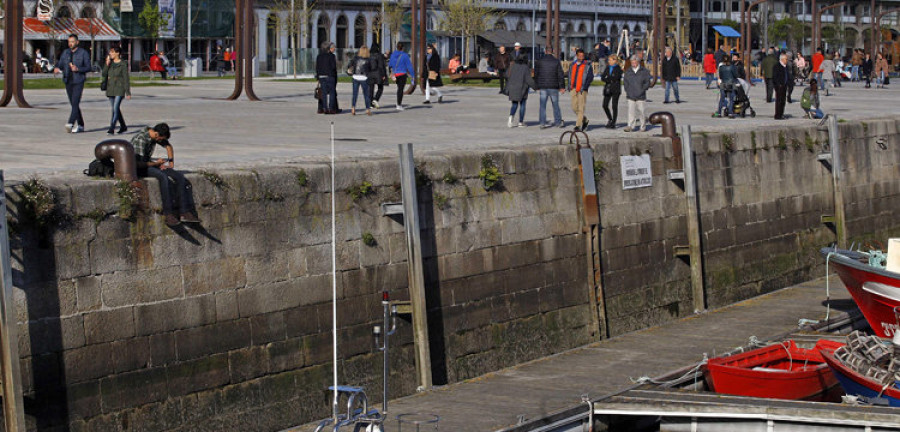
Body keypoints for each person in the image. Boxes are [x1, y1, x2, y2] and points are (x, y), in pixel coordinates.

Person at [131, 123, 200, 227]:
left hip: (150, 163)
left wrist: (170, 163)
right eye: (160, 139)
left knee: (179, 177)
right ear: (156, 134)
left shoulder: (155, 136)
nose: (160, 141)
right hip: (140, 167)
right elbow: (139, 164)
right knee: (163, 177)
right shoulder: (140, 140)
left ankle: (184, 212)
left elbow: (168, 146)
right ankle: (168, 214)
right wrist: (156, 164)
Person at [53, 34, 91, 133]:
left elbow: (88, 67)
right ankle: (81, 125)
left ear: (77, 42)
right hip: (68, 80)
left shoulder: (83, 53)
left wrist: (78, 69)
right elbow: (60, 64)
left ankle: (70, 123)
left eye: (72, 42)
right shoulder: (65, 53)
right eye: (69, 42)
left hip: (78, 80)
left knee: (75, 102)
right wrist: (57, 68)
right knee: (73, 104)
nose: (70, 44)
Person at [101, 46, 131, 135]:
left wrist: (127, 92)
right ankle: (123, 126)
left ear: (118, 53)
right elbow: (104, 73)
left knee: (115, 108)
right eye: (110, 52)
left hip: (119, 88)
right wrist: (107, 64)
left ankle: (112, 127)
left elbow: (126, 78)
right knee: (115, 109)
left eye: (113, 52)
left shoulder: (123, 64)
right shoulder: (110, 63)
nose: (111, 54)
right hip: (110, 88)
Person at [534, 47, 565, 129]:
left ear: (545, 51)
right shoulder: (556, 61)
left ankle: (542, 123)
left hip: (543, 86)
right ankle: (558, 122)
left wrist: (536, 85)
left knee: (542, 105)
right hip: (554, 86)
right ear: (552, 52)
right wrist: (562, 86)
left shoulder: (539, 61)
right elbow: (560, 75)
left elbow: (536, 74)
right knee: (555, 105)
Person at [505, 55, 536, 128]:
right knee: (522, 105)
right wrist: (535, 87)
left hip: (513, 88)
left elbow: (507, 74)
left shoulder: (512, 66)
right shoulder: (525, 68)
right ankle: (520, 122)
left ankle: (510, 118)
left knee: (514, 104)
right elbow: (529, 80)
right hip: (522, 88)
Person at [567, 49, 593, 132]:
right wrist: (569, 86)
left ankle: (578, 125)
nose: (581, 57)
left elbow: (590, 77)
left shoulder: (587, 65)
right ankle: (584, 120)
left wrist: (585, 87)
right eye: (580, 56)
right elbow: (569, 75)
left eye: (583, 56)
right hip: (573, 88)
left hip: (582, 89)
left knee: (581, 107)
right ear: (577, 56)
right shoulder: (572, 65)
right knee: (574, 107)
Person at [623, 55, 651, 132]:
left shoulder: (644, 71)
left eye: (635, 62)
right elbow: (625, 83)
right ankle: (630, 126)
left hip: (641, 95)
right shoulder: (628, 71)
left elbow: (647, 82)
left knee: (642, 112)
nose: (633, 63)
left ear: (638, 62)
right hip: (630, 95)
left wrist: (643, 89)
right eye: (632, 62)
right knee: (631, 112)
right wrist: (627, 90)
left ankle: (642, 126)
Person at [348, 46, 372, 116]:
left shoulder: (355, 58)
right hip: (364, 77)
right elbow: (370, 68)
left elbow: (350, 65)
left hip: (355, 76)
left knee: (355, 94)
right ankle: (367, 109)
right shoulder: (368, 59)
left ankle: (353, 108)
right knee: (366, 94)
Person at [389, 42, 414, 110]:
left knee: (399, 88)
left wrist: (391, 72)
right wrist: (412, 75)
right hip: (402, 74)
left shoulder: (393, 55)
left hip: (395, 74)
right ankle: (399, 104)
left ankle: (398, 103)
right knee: (400, 89)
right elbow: (409, 66)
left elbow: (390, 65)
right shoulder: (405, 55)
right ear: (403, 48)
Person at [601, 54, 623, 129]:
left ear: (614, 60)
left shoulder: (618, 68)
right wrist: (609, 79)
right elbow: (603, 77)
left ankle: (613, 122)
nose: (609, 61)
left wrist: (609, 78)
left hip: (615, 89)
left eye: (610, 60)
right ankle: (610, 118)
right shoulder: (607, 67)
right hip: (608, 88)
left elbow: (616, 77)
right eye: (609, 60)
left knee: (614, 106)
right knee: (605, 105)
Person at [316, 42, 339, 114]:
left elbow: (317, 67)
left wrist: (318, 76)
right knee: (332, 92)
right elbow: (333, 66)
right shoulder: (331, 56)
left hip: (321, 76)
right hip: (330, 75)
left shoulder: (319, 56)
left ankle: (325, 108)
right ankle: (331, 108)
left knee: (324, 93)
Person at [367, 43, 387, 109]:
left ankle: (370, 104)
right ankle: (375, 99)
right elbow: (381, 66)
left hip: (370, 74)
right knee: (380, 88)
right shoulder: (379, 55)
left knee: (371, 89)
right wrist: (383, 75)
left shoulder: (368, 55)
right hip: (378, 74)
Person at [773, 53, 791, 120]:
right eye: (786, 59)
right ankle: (778, 115)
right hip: (779, 86)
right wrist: (778, 84)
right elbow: (775, 77)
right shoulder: (777, 66)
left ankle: (781, 113)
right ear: (782, 59)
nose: (787, 60)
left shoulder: (786, 66)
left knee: (783, 101)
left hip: (785, 85)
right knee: (779, 100)